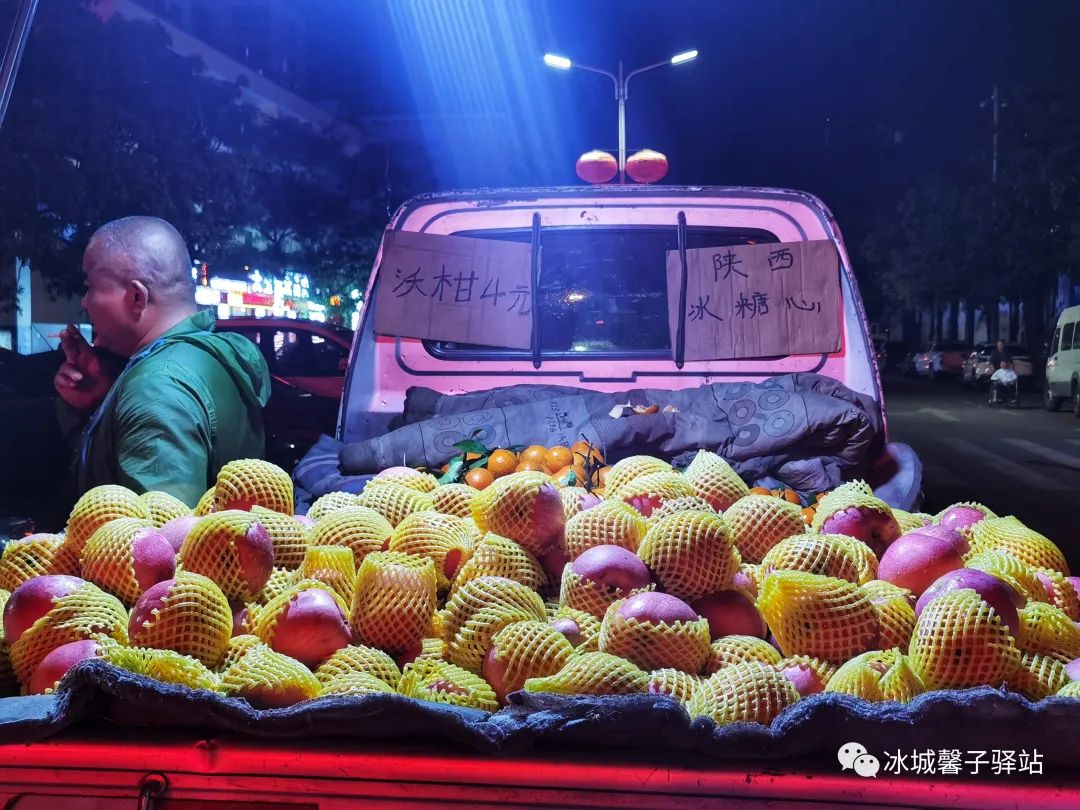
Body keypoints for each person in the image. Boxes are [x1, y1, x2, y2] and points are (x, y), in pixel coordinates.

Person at [54, 216, 271, 507]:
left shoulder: (156, 387)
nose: (84, 302)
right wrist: (94, 405)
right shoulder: (211, 355)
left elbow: (158, 543)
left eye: (90, 286)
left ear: (135, 297)